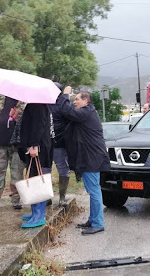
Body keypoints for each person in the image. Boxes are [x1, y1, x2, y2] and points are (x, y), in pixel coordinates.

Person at [55, 87, 110, 235]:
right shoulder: (87, 112)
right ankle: (93, 220)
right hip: (89, 158)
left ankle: (98, 223)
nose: (75, 102)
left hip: (92, 158)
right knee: (92, 190)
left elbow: (68, 111)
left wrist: (65, 94)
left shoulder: (86, 113)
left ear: (86, 101)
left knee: (94, 191)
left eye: (77, 99)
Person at [15, 103, 53, 228]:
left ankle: (39, 215)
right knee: (33, 178)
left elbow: (39, 126)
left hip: (37, 148)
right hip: (34, 146)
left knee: (36, 180)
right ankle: (35, 212)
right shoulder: (34, 104)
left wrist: (34, 145)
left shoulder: (37, 104)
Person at [48, 82, 71, 206]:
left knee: (63, 170)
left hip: (59, 143)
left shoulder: (62, 105)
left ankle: (62, 198)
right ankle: (47, 197)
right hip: (46, 144)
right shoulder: (44, 104)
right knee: (45, 171)